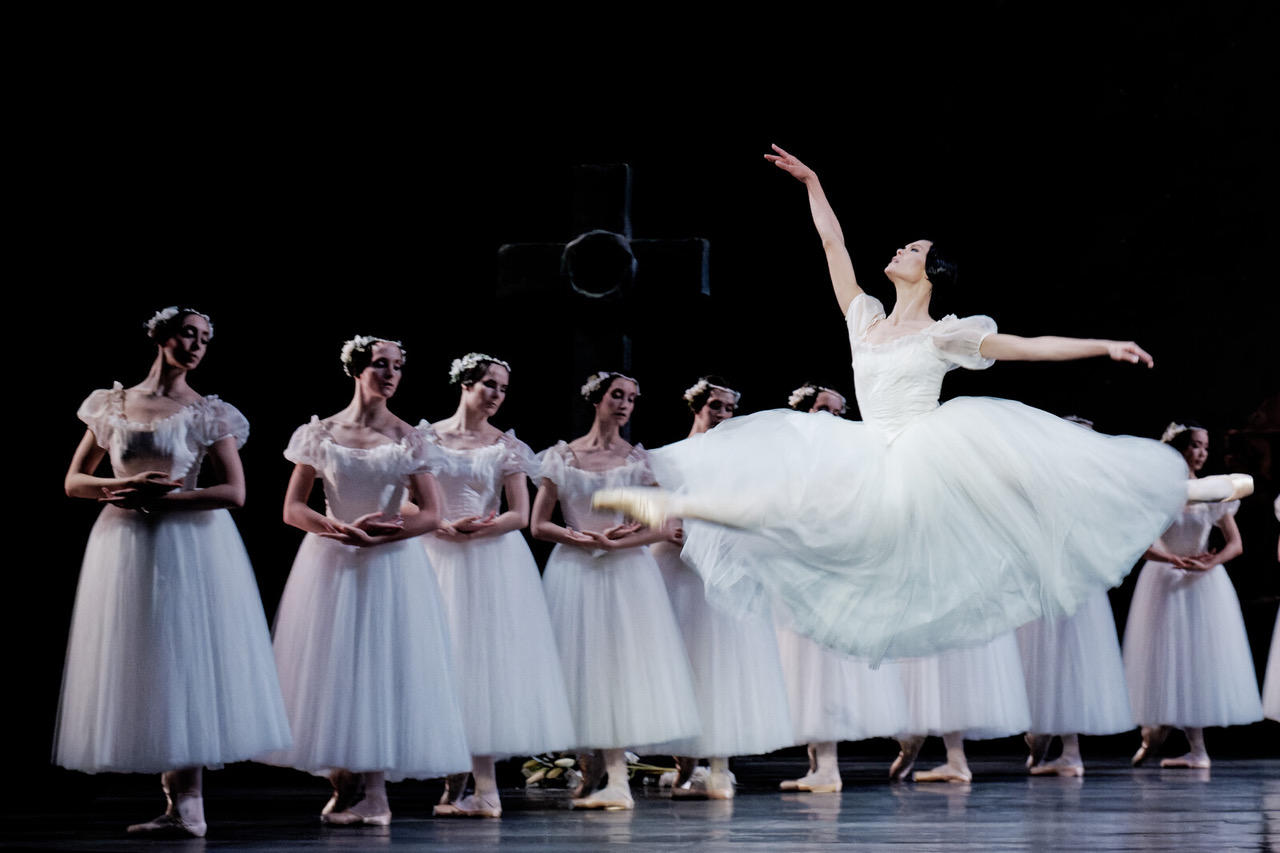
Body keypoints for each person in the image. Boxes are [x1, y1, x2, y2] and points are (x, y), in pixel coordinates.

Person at [601, 145, 1249, 664]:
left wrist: (1102, 344)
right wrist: (813, 183)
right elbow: (834, 248)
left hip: (923, 450)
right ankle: (678, 504)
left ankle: (1194, 489)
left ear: (930, 271)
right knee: (787, 506)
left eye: (910, 249)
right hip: (864, 451)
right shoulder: (865, 318)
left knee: (1039, 481)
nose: (897, 250)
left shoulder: (947, 331)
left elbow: (1025, 346)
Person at [56, 306, 291, 838]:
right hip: (124, 539)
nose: (196, 345)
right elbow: (74, 481)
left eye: (205, 339)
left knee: (184, 651)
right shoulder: (111, 404)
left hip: (189, 542)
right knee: (142, 653)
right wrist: (123, 491)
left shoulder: (210, 412)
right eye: (188, 334)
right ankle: (174, 806)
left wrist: (169, 499)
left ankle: (190, 803)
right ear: (161, 337)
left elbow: (235, 492)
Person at [264, 336, 470, 825]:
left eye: (398, 366)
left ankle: (376, 794)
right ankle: (343, 778)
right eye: (382, 365)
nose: (392, 374)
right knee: (333, 666)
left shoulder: (410, 437)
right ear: (358, 370)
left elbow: (433, 514)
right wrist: (334, 528)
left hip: (389, 564)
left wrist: (380, 536)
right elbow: (294, 508)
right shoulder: (319, 433)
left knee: (379, 664)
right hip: (331, 558)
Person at [532, 371, 700, 810]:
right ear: (596, 399)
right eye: (617, 395)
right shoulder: (561, 457)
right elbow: (538, 524)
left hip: (626, 572)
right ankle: (594, 772)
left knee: (620, 666)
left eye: (632, 398)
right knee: (581, 667)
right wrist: (581, 537)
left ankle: (618, 779)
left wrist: (618, 541)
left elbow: (662, 527)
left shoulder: (640, 461)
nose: (625, 404)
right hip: (575, 569)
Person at [423, 353, 574, 819]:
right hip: (436, 553)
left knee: (482, 664)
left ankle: (486, 787)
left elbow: (520, 514)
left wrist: (475, 527)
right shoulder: (426, 438)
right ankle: (455, 783)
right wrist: (439, 522)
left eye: (503, 388)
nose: (496, 395)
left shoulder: (507, 446)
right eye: (490, 384)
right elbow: (405, 502)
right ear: (465, 383)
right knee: (444, 663)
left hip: (489, 558)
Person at [651, 377, 793, 800]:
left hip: (720, 570)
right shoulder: (672, 456)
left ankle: (719, 766)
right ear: (698, 405)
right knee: (682, 660)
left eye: (730, 409)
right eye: (717, 406)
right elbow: (657, 506)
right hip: (674, 565)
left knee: (720, 662)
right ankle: (685, 765)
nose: (724, 415)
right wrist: (668, 527)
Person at [775, 383, 907, 794]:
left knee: (822, 668)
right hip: (799, 572)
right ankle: (818, 764)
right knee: (803, 667)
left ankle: (828, 767)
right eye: (823, 409)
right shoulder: (791, 459)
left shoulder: (852, 461)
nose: (832, 417)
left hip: (831, 574)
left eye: (838, 410)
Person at [1123, 421, 1263, 768]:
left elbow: (1236, 544)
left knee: (1196, 659)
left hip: (1201, 582)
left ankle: (1197, 748)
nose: (1201, 453)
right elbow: (1143, 543)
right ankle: (1153, 734)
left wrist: (1210, 562)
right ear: (1180, 448)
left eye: (1205, 447)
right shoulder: (1158, 492)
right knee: (1161, 657)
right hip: (1164, 578)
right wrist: (1171, 558)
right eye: (1195, 445)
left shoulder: (1213, 491)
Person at [1014, 415, 1136, 777]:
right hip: (1048, 579)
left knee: (1068, 660)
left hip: (1073, 581)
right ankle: (1048, 735)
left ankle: (1066, 748)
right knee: (1050, 658)